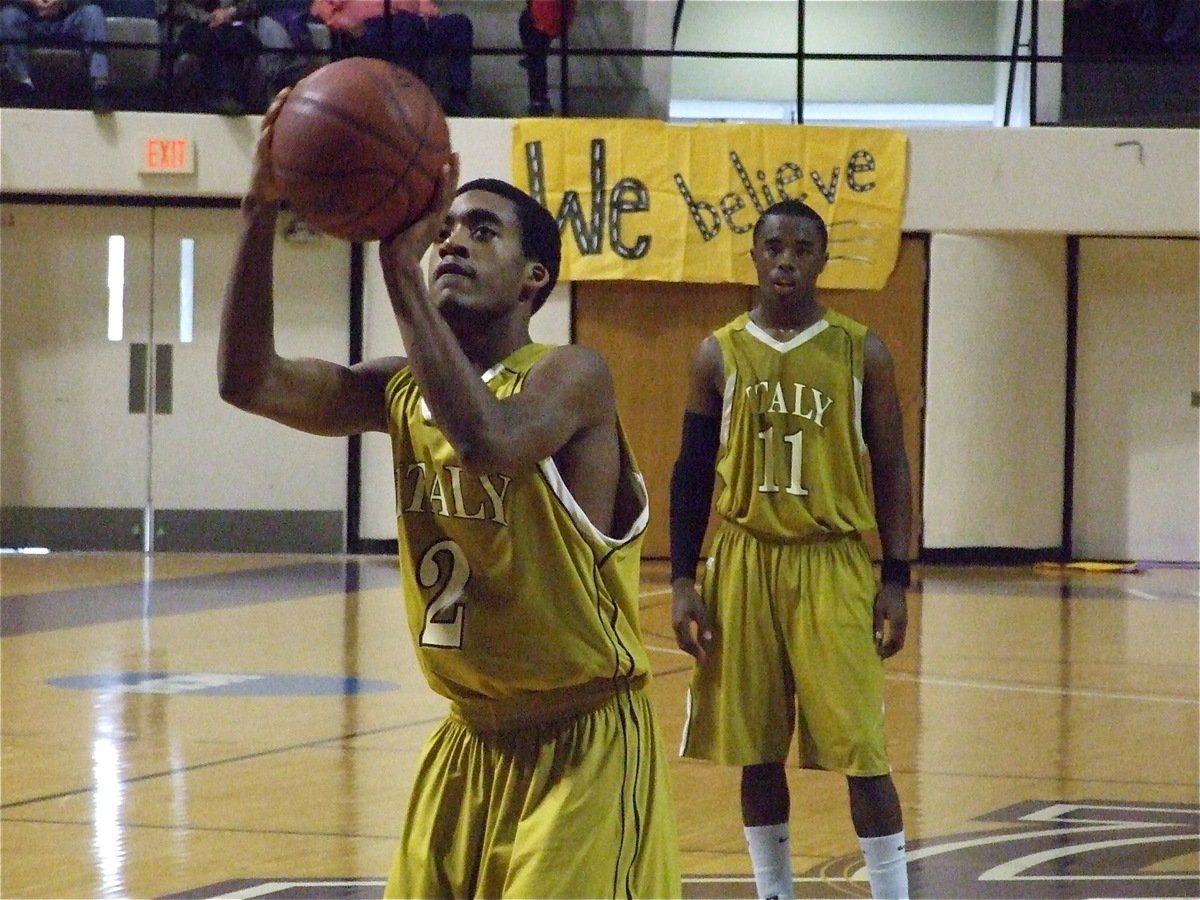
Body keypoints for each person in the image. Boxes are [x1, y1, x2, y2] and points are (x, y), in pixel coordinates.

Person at [217, 93, 681, 898]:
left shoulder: (569, 376)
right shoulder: (397, 389)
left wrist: (398, 270)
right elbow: (248, 381)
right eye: (444, 232)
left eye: (481, 230)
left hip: (584, 742)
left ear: (535, 277)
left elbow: (492, 442)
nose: (453, 243)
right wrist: (259, 209)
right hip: (469, 741)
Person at [669, 198, 913, 900]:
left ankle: (892, 893)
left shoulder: (861, 349)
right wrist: (683, 576)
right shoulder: (717, 352)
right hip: (742, 558)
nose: (786, 259)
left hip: (832, 557)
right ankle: (774, 891)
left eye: (803, 249)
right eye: (774, 246)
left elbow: (892, 465)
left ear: (821, 260)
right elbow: (689, 471)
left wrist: (895, 576)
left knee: (863, 750)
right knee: (755, 747)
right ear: (753, 254)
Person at [310, 0, 473, 115]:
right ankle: (405, 106)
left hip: (413, 24)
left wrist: (428, 14)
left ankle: (458, 97)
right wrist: (345, 24)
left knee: (460, 24)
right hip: (370, 28)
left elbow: (423, 6)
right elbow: (320, 7)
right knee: (402, 31)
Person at [0, 0, 112, 112]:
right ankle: (23, 85)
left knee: (93, 12)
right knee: (8, 16)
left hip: (68, 19)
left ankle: (99, 87)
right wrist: (33, 2)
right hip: (28, 20)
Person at [156, 0, 265, 115]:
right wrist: (209, 17)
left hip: (232, 24)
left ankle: (230, 97)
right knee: (208, 39)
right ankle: (221, 94)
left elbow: (253, 4)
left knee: (238, 40)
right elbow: (167, 7)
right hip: (188, 24)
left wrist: (229, 12)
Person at [518, 0, 575, 116]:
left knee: (537, 58)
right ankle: (539, 100)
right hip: (547, 16)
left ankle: (539, 101)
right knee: (537, 57)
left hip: (545, 15)